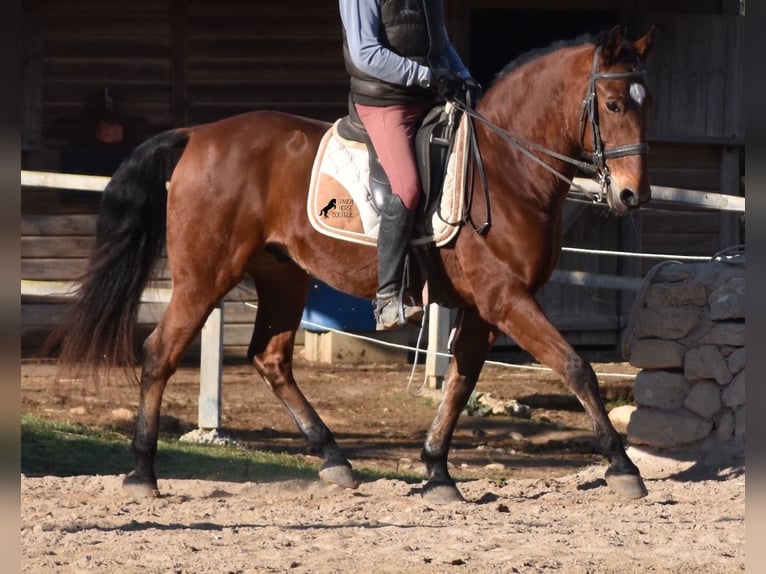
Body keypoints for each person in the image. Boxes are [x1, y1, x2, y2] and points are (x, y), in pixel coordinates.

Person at [339, 0, 479, 331]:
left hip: (426, 97)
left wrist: (464, 77)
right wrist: (426, 77)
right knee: (407, 187)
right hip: (385, 102)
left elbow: (440, 43)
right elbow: (366, 54)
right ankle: (388, 297)